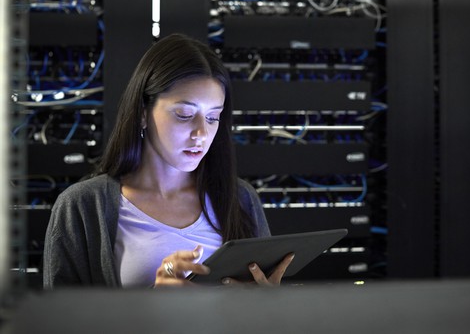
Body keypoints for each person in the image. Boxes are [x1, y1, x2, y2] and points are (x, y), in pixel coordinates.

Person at [43, 33, 294, 288]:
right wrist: (152, 309)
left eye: (212, 117)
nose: (201, 134)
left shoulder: (241, 199)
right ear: (142, 114)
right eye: (184, 115)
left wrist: (266, 305)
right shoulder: (82, 207)